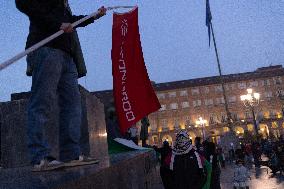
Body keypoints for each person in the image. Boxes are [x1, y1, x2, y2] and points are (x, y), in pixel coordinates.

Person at [15, 0, 106, 171]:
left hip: (67, 55)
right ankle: (39, 157)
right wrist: (57, 24)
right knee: (42, 101)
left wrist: (94, 16)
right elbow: (23, 3)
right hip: (46, 49)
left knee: (73, 105)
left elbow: (71, 20)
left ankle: (71, 154)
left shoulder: (62, 5)